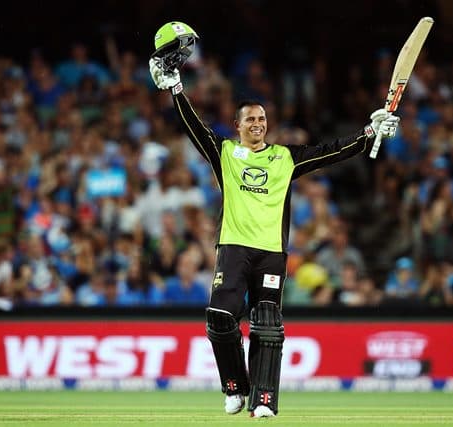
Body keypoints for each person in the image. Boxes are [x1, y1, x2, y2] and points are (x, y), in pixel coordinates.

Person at [148, 22, 399, 418]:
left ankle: (264, 401)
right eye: (250, 120)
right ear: (238, 126)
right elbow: (194, 126)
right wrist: (176, 89)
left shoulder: (285, 157)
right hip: (233, 246)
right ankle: (235, 387)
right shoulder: (225, 153)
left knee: (267, 324)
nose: (257, 125)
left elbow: (334, 150)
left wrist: (370, 131)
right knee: (218, 319)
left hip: (271, 253)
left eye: (262, 120)